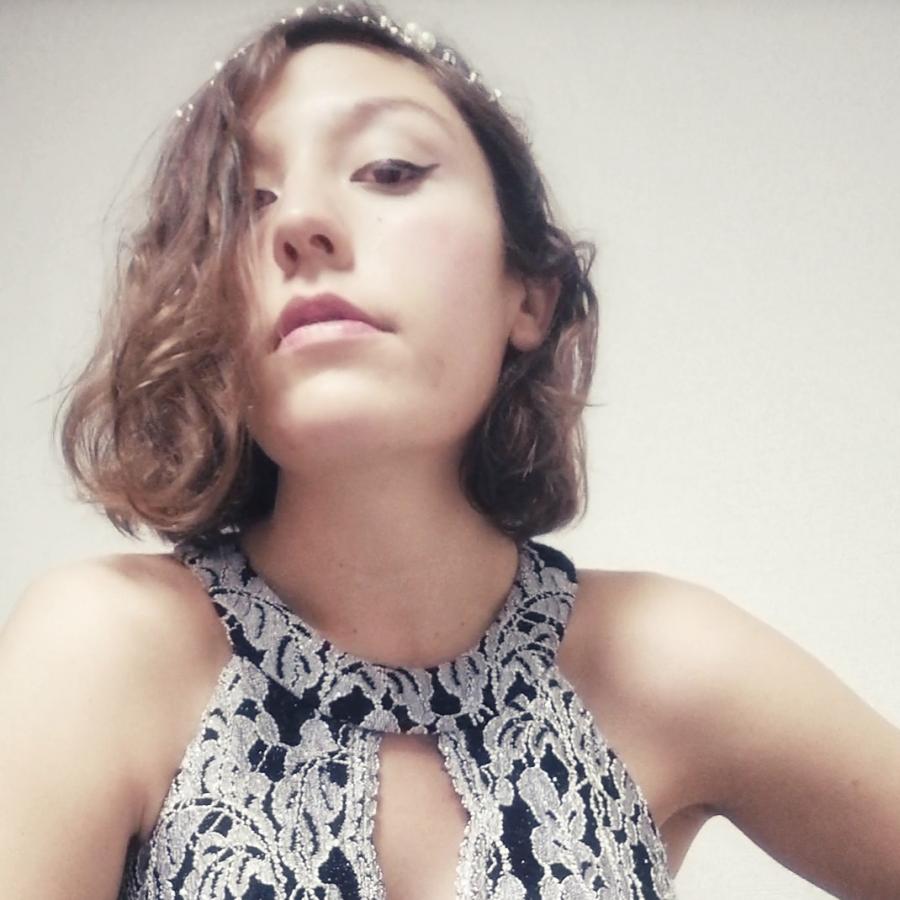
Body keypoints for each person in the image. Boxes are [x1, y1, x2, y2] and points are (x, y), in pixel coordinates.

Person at [1, 2, 898, 898]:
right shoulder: (100, 653)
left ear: (529, 294)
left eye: (389, 170)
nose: (298, 222)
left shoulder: (664, 662)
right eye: (245, 202)